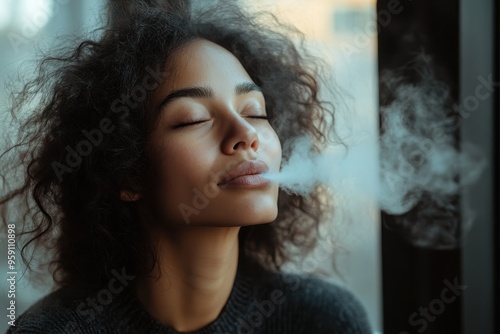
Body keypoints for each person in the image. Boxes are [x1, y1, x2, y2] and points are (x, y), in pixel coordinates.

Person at [1, 1, 372, 333]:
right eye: (193, 120)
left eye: (255, 112)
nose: (246, 134)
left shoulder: (324, 319)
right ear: (126, 171)